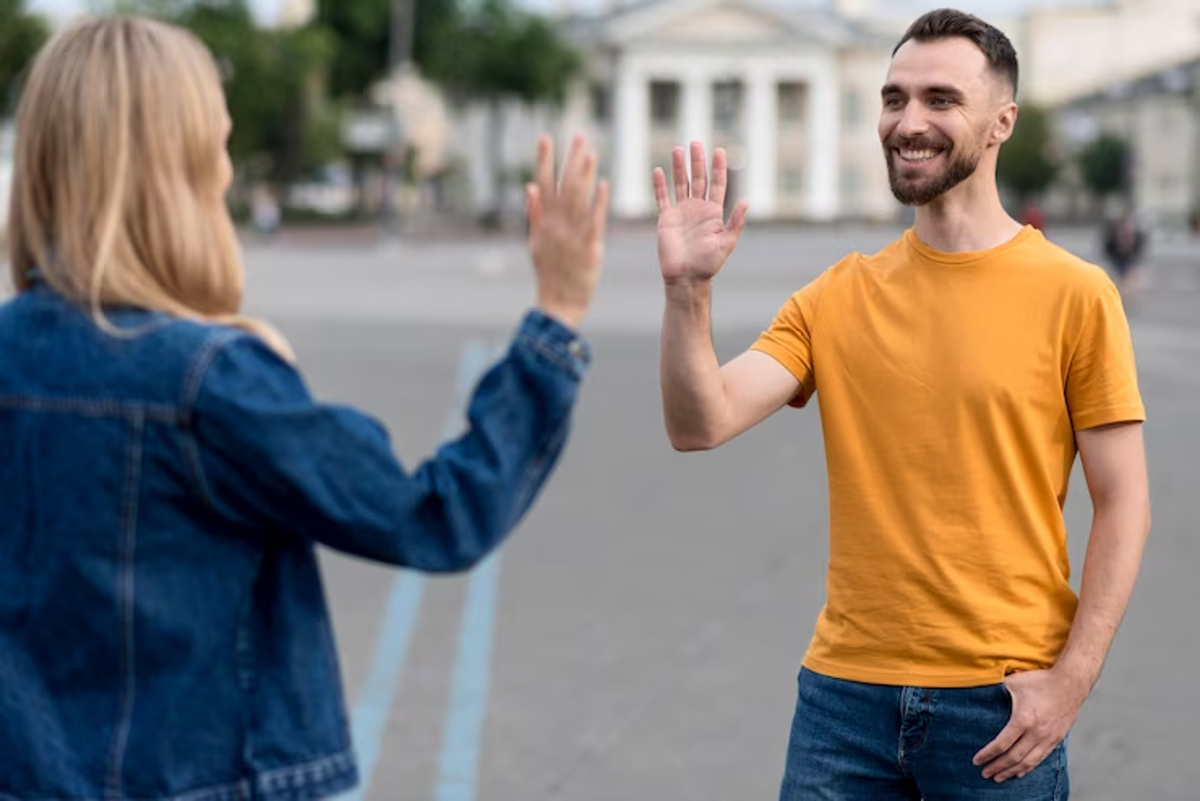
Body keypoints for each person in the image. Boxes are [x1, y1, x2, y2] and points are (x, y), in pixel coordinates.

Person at [0, 17, 608, 801]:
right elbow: (434, 514)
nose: (225, 172)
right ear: (174, 171)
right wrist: (556, 317)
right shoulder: (210, 381)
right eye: (215, 145)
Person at [654, 9, 1149, 800]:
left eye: (940, 100)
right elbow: (699, 421)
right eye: (893, 98)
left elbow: (1123, 502)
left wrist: (1071, 681)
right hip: (842, 703)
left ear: (1001, 123)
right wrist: (688, 293)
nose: (908, 122)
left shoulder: (1076, 294)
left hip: (999, 708)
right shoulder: (836, 295)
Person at [1102, 206, 1146, 298]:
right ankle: (1123, 291)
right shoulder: (1116, 230)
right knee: (1122, 275)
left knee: (1128, 275)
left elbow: (1137, 244)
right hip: (1118, 255)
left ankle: (1126, 291)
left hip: (1128, 255)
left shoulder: (1134, 232)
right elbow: (1110, 245)